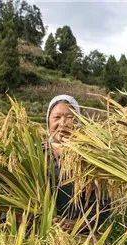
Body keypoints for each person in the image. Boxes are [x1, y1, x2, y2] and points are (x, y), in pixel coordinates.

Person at [46, 95, 110, 230]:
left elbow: (103, 206)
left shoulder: (90, 157)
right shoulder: (36, 154)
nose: (63, 123)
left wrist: (77, 225)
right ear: (48, 122)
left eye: (70, 117)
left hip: (81, 240)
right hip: (39, 235)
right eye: (57, 117)